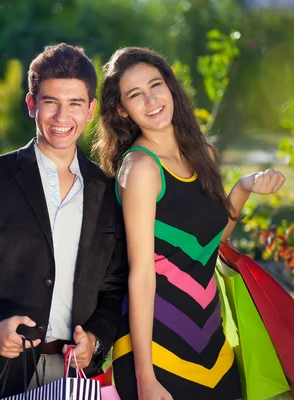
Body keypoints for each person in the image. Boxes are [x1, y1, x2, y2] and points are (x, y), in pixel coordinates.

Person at [94, 47, 286, 400]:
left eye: (156, 85)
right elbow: (141, 275)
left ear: (170, 86)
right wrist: (146, 380)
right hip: (157, 350)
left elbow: (205, 247)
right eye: (135, 95)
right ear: (122, 109)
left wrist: (244, 187)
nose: (151, 99)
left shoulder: (203, 152)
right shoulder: (141, 169)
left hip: (212, 345)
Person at [0, 43, 129, 400]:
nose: (62, 117)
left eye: (75, 103)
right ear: (31, 104)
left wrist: (97, 339)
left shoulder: (106, 189)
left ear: (90, 110)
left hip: (75, 371)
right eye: (50, 102)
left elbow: (112, 286)